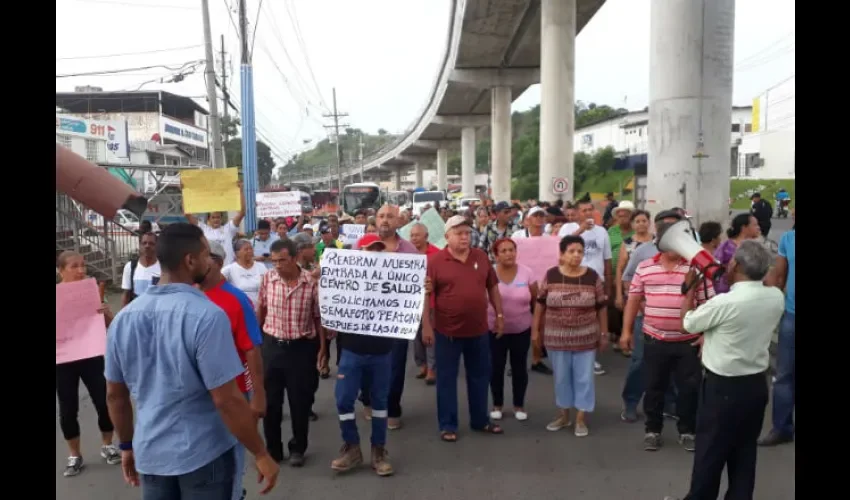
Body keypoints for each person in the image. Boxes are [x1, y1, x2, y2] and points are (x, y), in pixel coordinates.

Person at [104, 223, 278, 498]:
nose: (210, 261)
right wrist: (260, 452)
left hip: (151, 454)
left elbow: (115, 396)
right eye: (206, 254)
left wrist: (126, 446)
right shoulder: (207, 316)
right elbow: (227, 399)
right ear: (190, 260)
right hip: (204, 454)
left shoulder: (123, 319)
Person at [663, 241, 784, 500]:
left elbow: (687, 324)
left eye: (731, 262)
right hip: (755, 386)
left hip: (723, 388)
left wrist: (689, 290)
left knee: (710, 453)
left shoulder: (724, 302)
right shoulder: (775, 297)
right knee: (744, 453)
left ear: (738, 265)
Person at [621, 220, 715, 452]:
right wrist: (625, 331)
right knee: (654, 387)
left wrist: (705, 336)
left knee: (689, 389)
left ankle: (687, 430)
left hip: (688, 342)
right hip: (654, 339)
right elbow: (633, 300)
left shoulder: (697, 270)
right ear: (660, 245)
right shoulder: (644, 267)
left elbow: (709, 306)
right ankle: (653, 430)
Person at [423, 215, 505, 442]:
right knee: (447, 380)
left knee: (479, 377)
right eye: (459, 233)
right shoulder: (436, 262)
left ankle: (480, 420)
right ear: (447, 236)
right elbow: (426, 295)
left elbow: (493, 288)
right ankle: (448, 424)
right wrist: (426, 327)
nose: (464, 237)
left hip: (478, 330)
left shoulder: (480, 257)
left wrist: (499, 315)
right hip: (446, 332)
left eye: (467, 233)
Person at [201, 241, 266, 500]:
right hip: (200, 395)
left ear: (217, 262)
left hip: (236, 391)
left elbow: (251, 349)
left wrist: (257, 394)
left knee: (232, 457)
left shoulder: (235, 298)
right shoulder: (189, 294)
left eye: (203, 257)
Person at [331, 233, 399, 476]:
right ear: (358, 254)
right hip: (352, 350)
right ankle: (351, 447)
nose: (374, 254)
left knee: (380, 403)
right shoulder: (346, 280)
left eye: (379, 250)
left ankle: (378, 449)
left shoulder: (394, 280)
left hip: (382, 351)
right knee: (343, 400)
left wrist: (422, 289)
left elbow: (408, 300)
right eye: (370, 249)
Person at [257, 238, 325, 467]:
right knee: (271, 403)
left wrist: (322, 349)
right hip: (272, 346)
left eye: (282, 261)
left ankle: (298, 447)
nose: (277, 265)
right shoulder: (268, 279)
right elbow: (262, 309)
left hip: (301, 349)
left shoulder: (311, 283)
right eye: (274, 261)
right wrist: (257, 344)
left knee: (300, 402)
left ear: (295, 259)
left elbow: (318, 319)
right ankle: (273, 449)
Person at [533, 236, 608, 437]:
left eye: (580, 251)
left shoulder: (592, 277)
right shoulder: (551, 275)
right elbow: (540, 303)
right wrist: (535, 331)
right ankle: (564, 416)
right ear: (562, 254)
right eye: (571, 251)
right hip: (556, 338)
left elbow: (601, 307)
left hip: (585, 338)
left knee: (584, 379)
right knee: (562, 378)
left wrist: (603, 333)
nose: (576, 255)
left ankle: (581, 419)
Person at [56, 251, 120, 477]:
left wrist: (105, 314)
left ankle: (107, 444)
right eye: (74, 266)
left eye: (83, 265)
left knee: (104, 401)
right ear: (61, 270)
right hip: (63, 359)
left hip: (92, 355)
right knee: (68, 408)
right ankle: (75, 455)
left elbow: (111, 329)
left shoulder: (92, 292)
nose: (81, 270)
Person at [558, 199, 613, 376]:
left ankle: (591, 358)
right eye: (584, 210)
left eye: (590, 209)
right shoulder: (568, 228)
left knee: (594, 321)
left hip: (596, 281)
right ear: (577, 213)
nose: (588, 213)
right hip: (572, 281)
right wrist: (581, 229)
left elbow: (607, 260)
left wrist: (609, 286)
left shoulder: (602, 231)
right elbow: (563, 249)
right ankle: (569, 358)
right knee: (571, 320)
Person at [758, 208, 796, 447]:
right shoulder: (788, 239)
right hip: (791, 315)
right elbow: (779, 275)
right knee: (783, 376)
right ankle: (781, 428)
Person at [488, 238, 535, 421]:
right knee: (495, 368)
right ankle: (497, 404)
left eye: (511, 250)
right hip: (493, 329)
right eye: (504, 251)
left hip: (521, 329)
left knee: (519, 368)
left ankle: (519, 405)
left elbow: (536, 299)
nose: (509, 254)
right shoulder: (489, 272)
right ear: (496, 254)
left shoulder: (527, 272)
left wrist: (536, 327)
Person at [185, 185, 246, 266]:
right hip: (210, 269)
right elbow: (187, 214)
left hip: (228, 268)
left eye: (218, 217)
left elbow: (242, 213)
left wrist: (240, 191)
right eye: (213, 217)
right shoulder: (203, 229)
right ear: (208, 219)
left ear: (221, 219)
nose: (216, 219)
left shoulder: (229, 229)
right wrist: (184, 191)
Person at [409, 222, 439, 384]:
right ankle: (422, 365)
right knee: (415, 335)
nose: (413, 238)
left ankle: (432, 369)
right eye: (412, 235)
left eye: (417, 235)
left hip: (432, 301)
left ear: (426, 237)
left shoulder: (436, 254)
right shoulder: (407, 253)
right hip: (412, 303)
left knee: (429, 335)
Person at [712, 214, 761, 294]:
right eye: (755, 225)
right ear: (744, 228)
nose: (758, 227)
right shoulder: (726, 246)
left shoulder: (759, 245)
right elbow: (715, 268)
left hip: (753, 290)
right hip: (730, 290)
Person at [121, 231, 161, 307]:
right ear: (140, 245)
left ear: (157, 246)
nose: (147, 246)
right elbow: (126, 294)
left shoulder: (163, 268)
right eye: (144, 243)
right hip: (135, 313)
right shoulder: (130, 267)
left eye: (151, 243)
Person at [223, 239, 268, 305]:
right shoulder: (228, 269)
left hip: (259, 308)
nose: (249, 251)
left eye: (251, 249)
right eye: (246, 249)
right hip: (239, 308)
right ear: (237, 253)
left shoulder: (261, 267)